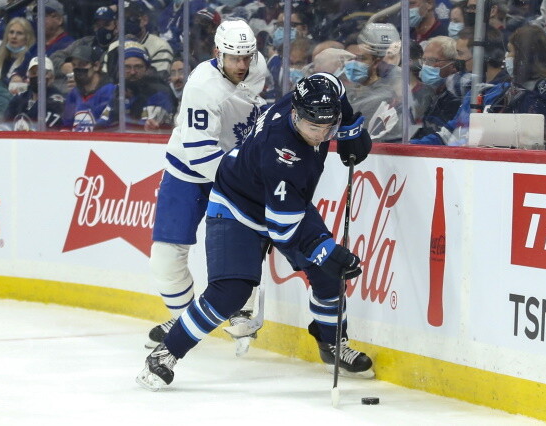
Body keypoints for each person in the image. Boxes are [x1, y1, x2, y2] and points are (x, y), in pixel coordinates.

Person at [136, 73, 374, 391]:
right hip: (238, 207)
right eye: (313, 127)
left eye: (327, 127)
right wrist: (325, 251)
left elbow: (331, 83)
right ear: (295, 114)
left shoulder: (308, 98)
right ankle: (166, 353)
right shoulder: (283, 155)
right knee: (230, 292)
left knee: (329, 276)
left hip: (286, 201)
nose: (320, 135)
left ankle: (331, 343)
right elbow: (282, 228)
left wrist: (349, 127)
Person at [145, 19, 268, 354]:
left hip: (233, 165)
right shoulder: (202, 86)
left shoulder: (258, 68)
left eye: (247, 57)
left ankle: (242, 306)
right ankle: (184, 322)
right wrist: (245, 184)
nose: (242, 65)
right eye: (234, 58)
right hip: (189, 171)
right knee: (165, 259)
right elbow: (201, 157)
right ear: (218, 53)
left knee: (245, 243)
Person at [105, 41, 175, 130]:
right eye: (127, 67)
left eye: (138, 67)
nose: (133, 72)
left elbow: (148, 130)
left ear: (147, 69)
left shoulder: (159, 94)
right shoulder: (115, 92)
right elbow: (99, 127)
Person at [411, 35, 461, 139]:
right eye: (424, 60)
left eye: (432, 60)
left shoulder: (456, 100)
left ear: (452, 65)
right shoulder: (417, 93)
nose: (425, 66)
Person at [61, 44, 116, 132]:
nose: (77, 69)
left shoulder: (110, 91)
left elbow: (108, 127)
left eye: (82, 64)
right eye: (74, 65)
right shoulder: (74, 93)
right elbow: (66, 126)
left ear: (96, 66)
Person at [1, 56, 65, 131]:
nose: (38, 76)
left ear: (52, 77)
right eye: (33, 73)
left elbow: (44, 128)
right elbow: (6, 121)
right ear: (28, 76)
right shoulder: (21, 97)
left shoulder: (57, 100)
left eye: (43, 72)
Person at [0, 17, 35, 87]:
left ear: (27, 38)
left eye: (19, 33)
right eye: (11, 32)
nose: (14, 36)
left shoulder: (29, 61)